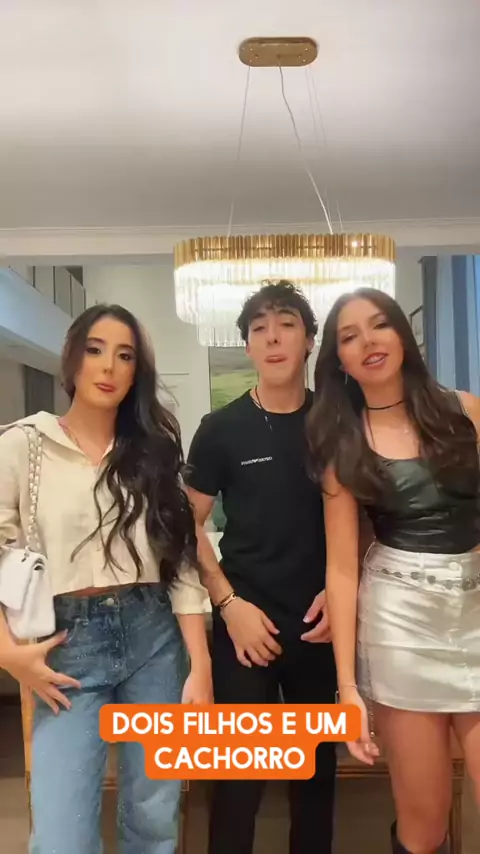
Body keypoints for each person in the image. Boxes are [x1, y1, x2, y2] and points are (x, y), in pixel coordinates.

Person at [0, 304, 212, 854]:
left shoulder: (153, 452)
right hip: (66, 646)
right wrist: (7, 652)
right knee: (61, 834)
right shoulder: (23, 444)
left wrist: (201, 665)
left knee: (154, 817)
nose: (109, 366)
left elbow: (181, 562)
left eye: (125, 356)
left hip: (154, 637)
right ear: (72, 358)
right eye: (95, 350)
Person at [306, 287, 480, 854]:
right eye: (349, 336)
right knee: (424, 824)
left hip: (476, 608)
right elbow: (341, 568)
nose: (368, 342)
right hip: (401, 624)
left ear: (402, 334)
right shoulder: (342, 443)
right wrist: (347, 689)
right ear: (339, 360)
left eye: (379, 325)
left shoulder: (466, 411)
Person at [185, 281, 337, 854]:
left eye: (287, 324)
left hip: (322, 622)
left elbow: (367, 516)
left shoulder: (336, 422)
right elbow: (187, 525)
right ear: (248, 346)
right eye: (259, 329)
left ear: (309, 340)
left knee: (315, 777)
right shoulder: (221, 428)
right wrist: (228, 604)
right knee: (238, 783)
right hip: (244, 621)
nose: (272, 337)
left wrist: (340, 592)